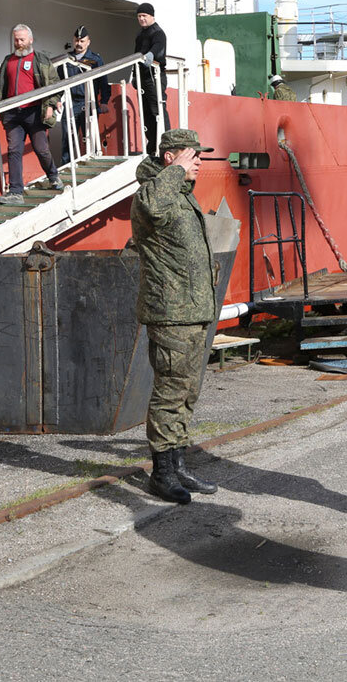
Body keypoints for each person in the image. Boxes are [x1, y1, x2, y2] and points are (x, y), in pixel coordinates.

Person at [130, 129, 220, 504]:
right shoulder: (154, 193)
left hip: (193, 311)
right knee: (170, 392)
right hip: (171, 313)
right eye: (192, 153)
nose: (199, 159)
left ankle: (179, 465)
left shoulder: (181, 197)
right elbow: (151, 206)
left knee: (187, 391)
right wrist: (175, 172)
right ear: (170, 158)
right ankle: (161, 473)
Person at [0, 24, 61, 204]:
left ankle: (53, 175)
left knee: (41, 149)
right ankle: (16, 191)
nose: (19, 43)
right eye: (16, 40)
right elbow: (0, 84)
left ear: (31, 40)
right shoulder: (8, 61)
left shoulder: (41, 59)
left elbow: (54, 84)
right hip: (13, 113)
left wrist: (50, 104)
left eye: (22, 40)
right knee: (14, 150)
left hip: (34, 111)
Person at [58, 25, 111, 165]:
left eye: (82, 41)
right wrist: (56, 101)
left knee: (90, 137)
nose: (79, 44)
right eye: (77, 40)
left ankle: (92, 164)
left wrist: (104, 101)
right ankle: (66, 167)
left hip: (89, 102)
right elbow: (58, 82)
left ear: (88, 42)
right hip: (71, 102)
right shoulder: (67, 59)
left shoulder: (95, 60)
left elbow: (103, 82)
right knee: (67, 139)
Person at [133, 3, 170, 155]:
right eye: (139, 16)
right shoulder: (140, 35)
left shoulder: (158, 32)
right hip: (143, 76)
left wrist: (151, 54)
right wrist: (134, 75)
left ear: (152, 16)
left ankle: (167, 143)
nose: (141, 19)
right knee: (147, 113)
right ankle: (152, 145)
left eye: (144, 16)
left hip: (154, 76)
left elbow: (158, 46)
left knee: (158, 109)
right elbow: (135, 55)